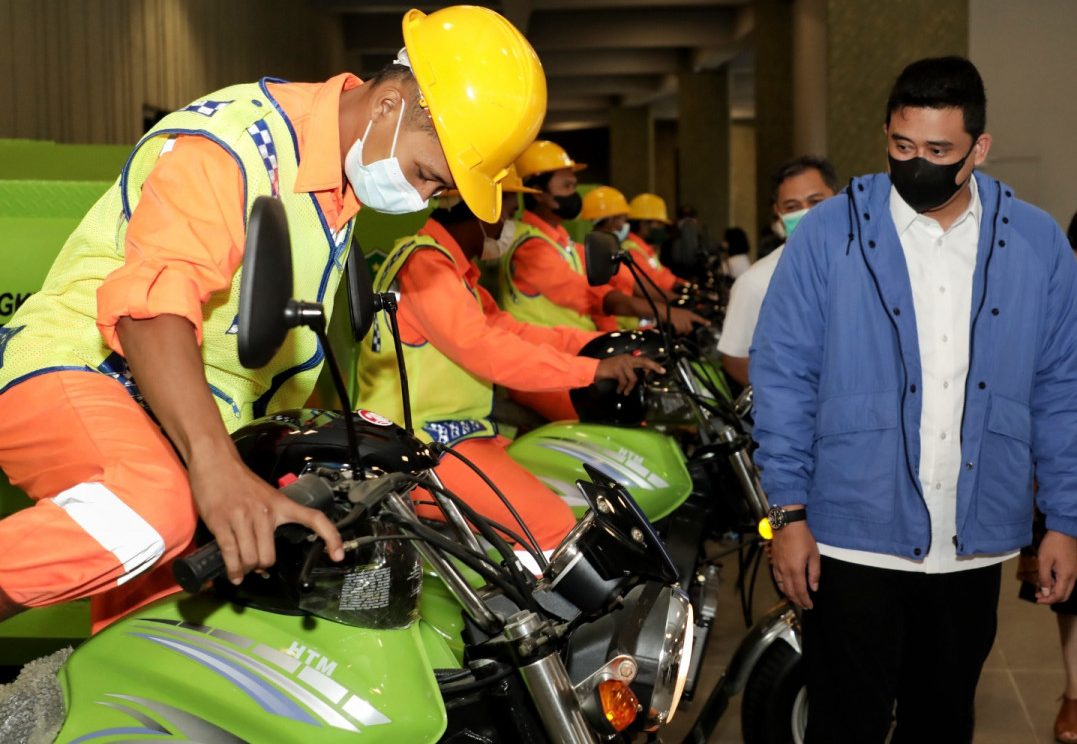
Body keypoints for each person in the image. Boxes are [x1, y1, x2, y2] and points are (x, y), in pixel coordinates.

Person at [0, 5, 546, 629]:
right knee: (153, 508)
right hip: (84, 369)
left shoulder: (337, 188)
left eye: (438, 191)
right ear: (393, 103)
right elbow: (150, 309)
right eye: (427, 175)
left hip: (183, 420)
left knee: (169, 636)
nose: (422, 199)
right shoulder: (238, 145)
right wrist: (218, 468)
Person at [751, 56, 1077, 743]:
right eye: (902, 147)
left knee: (942, 720)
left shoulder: (1037, 244)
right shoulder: (825, 238)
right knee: (845, 723)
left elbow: (1060, 387)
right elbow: (782, 377)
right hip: (850, 537)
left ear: (978, 149)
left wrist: (1066, 519)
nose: (916, 164)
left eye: (937, 151)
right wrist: (787, 514)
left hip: (972, 538)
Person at [356, 170, 662, 565]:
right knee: (555, 527)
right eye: (508, 213)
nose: (508, 226)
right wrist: (591, 372)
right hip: (422, 446)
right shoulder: (428, 267)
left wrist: (595, 352)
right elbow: (487, 350)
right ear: (484, 213)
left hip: (451, 436)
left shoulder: (449, 268)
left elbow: (513, 330)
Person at [499, 140, 704, 336]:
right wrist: (663, 310)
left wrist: (675, 301)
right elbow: (588, 295)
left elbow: (621, 275)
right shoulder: (530, 247)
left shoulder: (560, 239)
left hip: (575, 346)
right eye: (567, 187)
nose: (574, 194)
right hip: (551, 354)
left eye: (574, 186)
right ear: (538, 192)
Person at [717, 156, 838, 386]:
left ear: (838, 198)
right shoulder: (755, 283)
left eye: (816, 201)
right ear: (779, 214)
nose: (807, 213)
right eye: (792, 207)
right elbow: (735, 358)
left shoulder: (867, 265)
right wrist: (784, 402)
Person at [624, 193, 684, 296]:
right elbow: (654, 283)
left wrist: (686, 285)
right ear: (643, 224)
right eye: (659, 224)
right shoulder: (632, 251)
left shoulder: (646, 249)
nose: (662, 228)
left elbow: (663, 274)